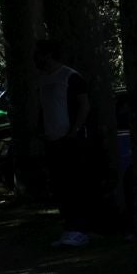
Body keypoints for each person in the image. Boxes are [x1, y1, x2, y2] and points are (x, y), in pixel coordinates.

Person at [34, 40, 94, 247]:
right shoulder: (42, 79)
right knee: (60, 187)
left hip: (71, 141)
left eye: (39, 54)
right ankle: (69, 228)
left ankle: (81, 230)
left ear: (49, 54)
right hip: (52, 140)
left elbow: (84, 105)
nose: (36, 59)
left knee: (75, 185)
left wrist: (74, 131)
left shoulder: (70, 76)